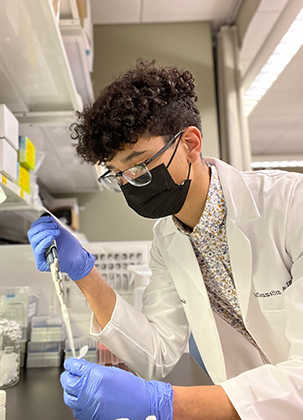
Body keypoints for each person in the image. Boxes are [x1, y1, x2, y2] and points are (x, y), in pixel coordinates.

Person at [28, 60, 303, 420]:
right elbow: (156, 351)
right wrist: (83, 272)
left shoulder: (290, 207)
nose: (130, 184)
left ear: (189, 143)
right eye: (118, 176)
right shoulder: (167, 239)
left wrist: (163, 403)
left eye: (139, 166)